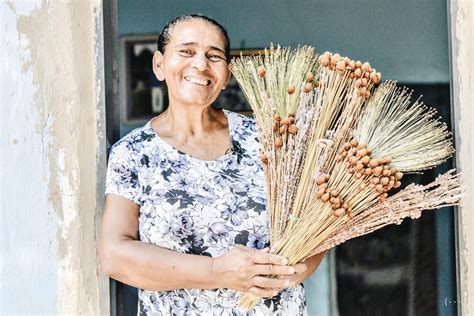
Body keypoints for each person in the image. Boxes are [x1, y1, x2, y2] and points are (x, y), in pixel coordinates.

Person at [99, 14, 325, 315]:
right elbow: (115, 255)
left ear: (226, 74)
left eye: (214, 56)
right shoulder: (133, 153)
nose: (201, 65)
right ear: (159, 65)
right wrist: (217, 271)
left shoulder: (269, 140)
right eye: (187, 51)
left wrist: (289, 272)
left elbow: (316, 230)